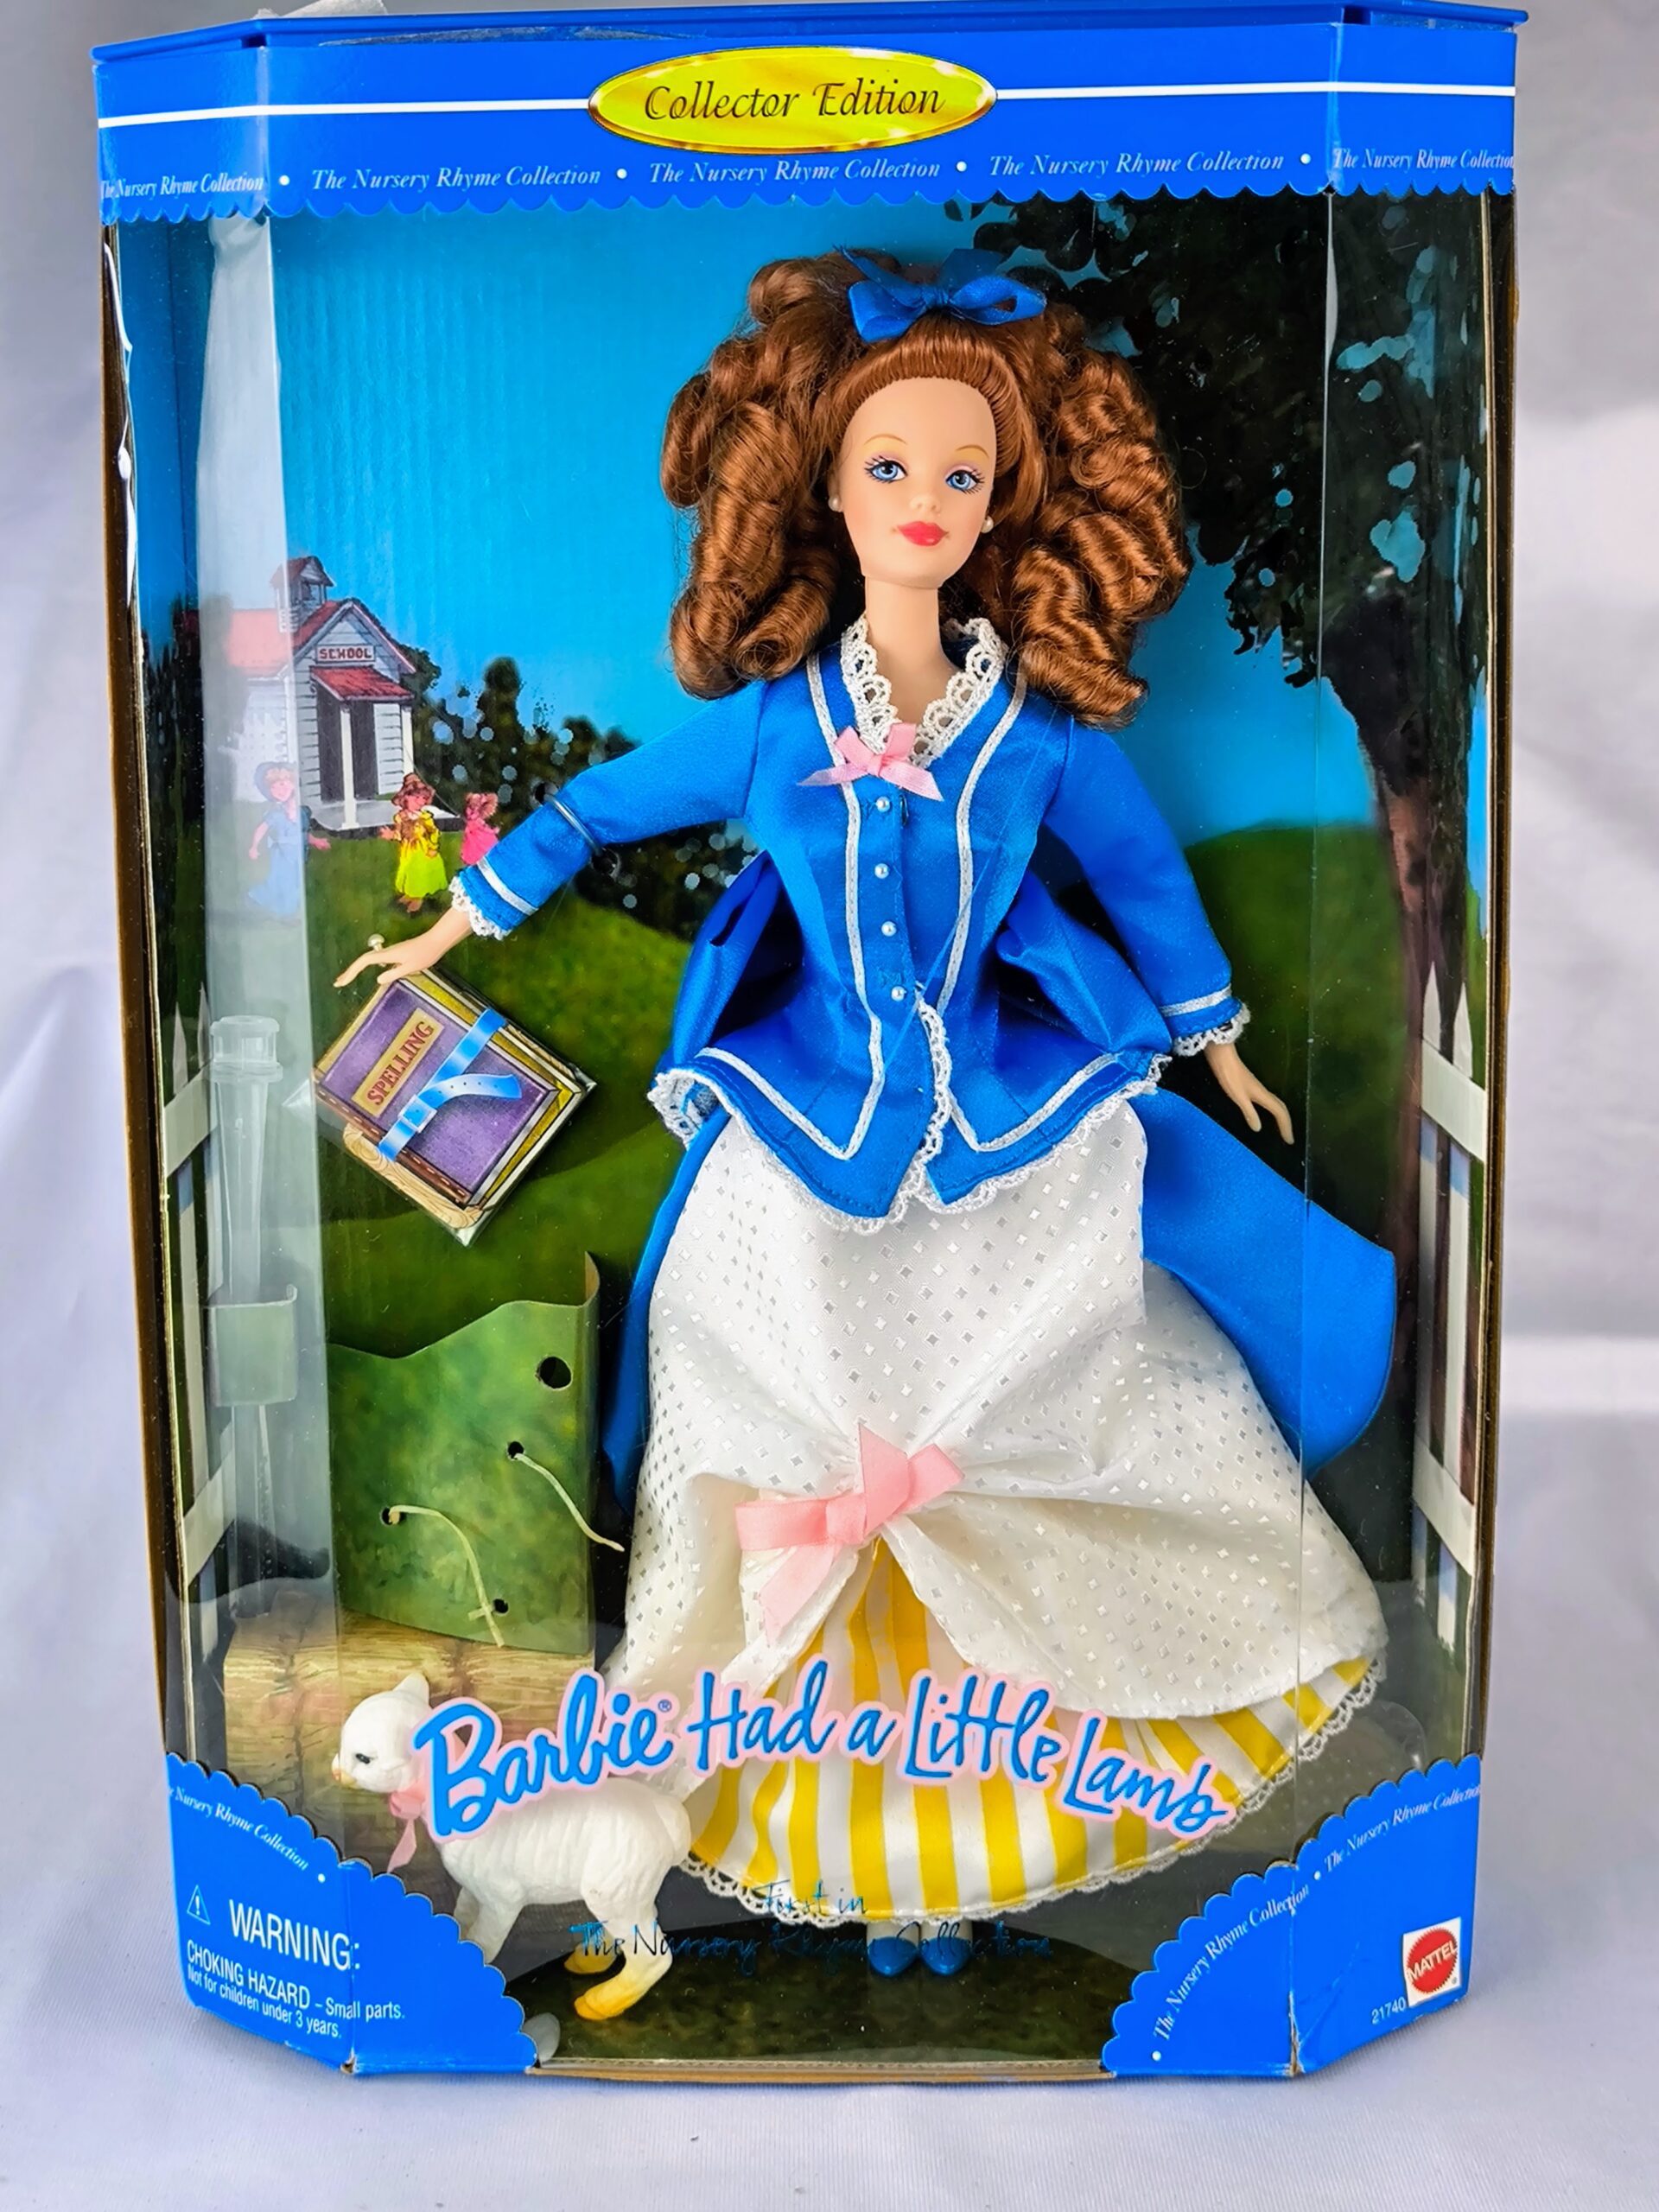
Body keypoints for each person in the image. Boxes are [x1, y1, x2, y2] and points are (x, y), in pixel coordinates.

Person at [339, 251, 1389, 1990]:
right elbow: (594, 811)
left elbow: (1144, 884)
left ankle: (1016, 1822)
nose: (926, 501)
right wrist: (449, 926)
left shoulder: (1039, 736)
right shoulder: (776, 727)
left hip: (1007, 1115)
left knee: (1067, 1378)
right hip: (809, 1121)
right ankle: (829, 1826)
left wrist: (1214, 1042)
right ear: (825, 485)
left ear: (1006, 499)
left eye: (963, 474)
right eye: (890, 466)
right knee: (774, 1388)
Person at [247, 760, 328, 918]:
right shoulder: (276, 813)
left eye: (283, 784)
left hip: (297, 856)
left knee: (294, 882)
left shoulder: (302, 812)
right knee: (280, 881)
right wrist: (254, 846)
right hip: (282, 855)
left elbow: (302, 833)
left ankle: (281, 909)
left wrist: (316, 841)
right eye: (273, 787)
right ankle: (270, 904)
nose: (280, 790)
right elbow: (262, 828)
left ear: (293, 784)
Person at [381, 771, 447, 914]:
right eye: (416, 798)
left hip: (423, 851)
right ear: (405, 797)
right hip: (408, 851)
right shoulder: (401, 817)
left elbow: (433, 833)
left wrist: (433, 847)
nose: (420, 802)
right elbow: (400, 834)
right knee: (409, 871)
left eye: (423, 798)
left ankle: (417, 899)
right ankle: (410, 894)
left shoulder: (425, 818)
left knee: (420, 872)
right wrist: (391, 835)